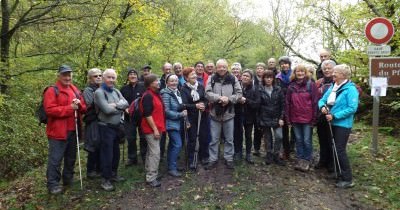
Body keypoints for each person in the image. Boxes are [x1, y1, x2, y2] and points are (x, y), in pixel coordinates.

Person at [43, 65, 87, 194]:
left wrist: (79, 105)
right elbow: (49, 110)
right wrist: (70, 108)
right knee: (55, 159)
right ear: (59, 76)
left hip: (74, 130)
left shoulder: (75, 89)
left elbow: (84, 108)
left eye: (69, 75)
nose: (67, 77)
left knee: (70, 158)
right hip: (57, 132)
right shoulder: (52, 90)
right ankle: (53, 184)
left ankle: (68, 180)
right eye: (64, 75)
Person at [319, 64, 358, 188]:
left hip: (343, 124)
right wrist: (322, 107)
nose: (333, 74)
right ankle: (337, 172)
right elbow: (322, 100)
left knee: (340, 150)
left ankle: (348, 179)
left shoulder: (351, 89)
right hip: (331, 122)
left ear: (343, 75)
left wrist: (335, 115)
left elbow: (352, 108)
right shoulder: (333, 86)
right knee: (333, 147)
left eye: (335, 72)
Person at [94, 69, 129, 191]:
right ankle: (106, 179)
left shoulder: (116, 91)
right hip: (105, 127)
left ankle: (114, 174)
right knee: (106, 154)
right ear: (103, 78)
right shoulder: (99, 92)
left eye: (113, 78)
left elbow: (126, 103)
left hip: (116, 127)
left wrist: (115, 105)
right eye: (109, 77)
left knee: (116, 153)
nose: (111, 80)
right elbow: (106, 110)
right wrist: (119, 107)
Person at [205, 59, 242, 170]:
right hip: (214, 113)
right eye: (220, 67)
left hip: (229, 113)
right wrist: (219, 98)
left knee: (229, 139)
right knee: (214, 139)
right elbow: (207, 93)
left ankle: (229, 158)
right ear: (216, 68)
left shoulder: (233, 78)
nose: (222, 69)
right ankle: (213, 159)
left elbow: (239, 93)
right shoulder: (211, 78)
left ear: (227, 68)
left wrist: (229, 99)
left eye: (224, 67)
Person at [285, 64, 318, 172]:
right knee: (298, 140)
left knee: (307, 140)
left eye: (302, 71)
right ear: (294, 73)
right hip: (295, 118)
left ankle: (307, 160)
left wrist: (314, 118)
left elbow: (314, 102)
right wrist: (288, 118)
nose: (300, 73)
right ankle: (299, 159)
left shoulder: (311, 85)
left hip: (308, 118)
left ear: (305, 73)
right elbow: (288, 103)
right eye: (297, 71)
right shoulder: (291, 86)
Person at [141, 74, 166, 187]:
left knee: (151, 152)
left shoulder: (156, 94)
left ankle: (150, 172)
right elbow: (147, 114)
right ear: (150, 83)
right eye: (156, 81)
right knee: (155, 153)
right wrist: (155, 129)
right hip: (151, 129)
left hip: (158, 127)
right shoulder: (147, 96)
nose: (158, 82)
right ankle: (151, 177)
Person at [181, 67, 209, 169]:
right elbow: (184, 104)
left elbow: (205, 99)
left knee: (203, 136)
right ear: (186, 78)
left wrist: (203, 105)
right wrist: (195, 106)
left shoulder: (200, 86)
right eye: (191, 75)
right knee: (192, 138)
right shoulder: (184, 89)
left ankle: (204, 156)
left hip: (202, 116)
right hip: (191, 117)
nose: (194, 76)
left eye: (194, 74)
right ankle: (192, 159)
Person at [161, 75, 187, 177]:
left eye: (176, 81)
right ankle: (172, 168)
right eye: (172, 81)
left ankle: (172, 165)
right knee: (177, 144)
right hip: (171, 123)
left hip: (178, 122)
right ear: (167, 83)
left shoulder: (177, 92)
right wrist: (180, 115)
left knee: (172, 144)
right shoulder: (166, 94)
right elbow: (166, 111)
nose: (174, 83)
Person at [258, 70, 286, 166]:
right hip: (264, 117)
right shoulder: (260, 90)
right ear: (264, 79)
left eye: (270, 77)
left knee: (279, 136)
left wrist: (281, 118)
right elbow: (258, 105)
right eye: (266, 77)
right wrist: (259, 119)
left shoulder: (278, 89)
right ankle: (269, 155)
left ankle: (276, 155)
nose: (269, 79)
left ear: (273, 79)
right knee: (267, 138)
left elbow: (283, 105)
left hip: (277, 117)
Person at [120, 68, 146, 166]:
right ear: (128, 77)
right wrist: (124, 109)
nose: (132, 76)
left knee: (143, 137)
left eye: (134, 74)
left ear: (137, 76)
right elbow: (120, 101)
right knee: (131, 138)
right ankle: (132, 157)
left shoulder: (143, 87)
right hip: (129, 117)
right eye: (130, 75)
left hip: (142, 117)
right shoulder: (123, 89)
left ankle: (144, 156)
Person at [315, 60, 336, 172]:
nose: (327, 70)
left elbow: (357, 90)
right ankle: (323, 160)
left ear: (334, 69)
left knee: (331, 140)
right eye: (325, 69)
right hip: (320, 114)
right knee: (322, 139)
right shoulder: (318, 83)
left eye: (329, 68)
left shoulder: (339, 81)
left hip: (334, 115)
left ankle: (331, 163)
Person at [83, 68, 102, 179]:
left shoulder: (102, 88)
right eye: (95, 76)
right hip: (93, 120)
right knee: (93, 145)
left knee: (101, 144)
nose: (98, 77)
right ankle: (91, 170)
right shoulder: (88, 90)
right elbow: (91, 104)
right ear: (90, 79)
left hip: (102, 121)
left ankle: (99, 168)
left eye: (100, 75)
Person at [237, 69, 259, 164]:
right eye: (244, 75)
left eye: (247, 76)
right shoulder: (237, 87)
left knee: (248, 135)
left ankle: (248, 154)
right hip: (238, 115)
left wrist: (246, 100)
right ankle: (238, 152)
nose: (245, 77)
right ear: (241, 77)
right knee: (238, 135)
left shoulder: (255, 89)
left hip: (249, 116)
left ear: (251, 79)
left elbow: (257, 104)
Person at [276, 56, 294, 160]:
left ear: (289, 64)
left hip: (294, 105)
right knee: (284, 130)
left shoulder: (294, 75)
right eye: (282, 63)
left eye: (286, 63)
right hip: (283, 105)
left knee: (296, 131)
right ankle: (285, 152)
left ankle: (293, 148)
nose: (284, 65)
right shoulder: (278, 77)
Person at [252, 62, 266, 156]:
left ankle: (264, 147)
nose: (259, 70)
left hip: (264, 107)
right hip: (253, 106)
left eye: (261, 68)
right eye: (258, 68)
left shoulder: (266, 79)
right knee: (255, 128)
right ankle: (256, 148)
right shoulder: (252, 80)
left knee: (261, 128)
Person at [231, 62, 243, 161]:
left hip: (240, 109)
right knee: (231, 131)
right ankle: (232, 150)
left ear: (240, 71)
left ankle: (239, 151)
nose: (235, 71)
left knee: (239, 130)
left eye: (237, 69)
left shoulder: (243, 80)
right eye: (234, 69)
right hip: (230, 108)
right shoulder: (229, 79)